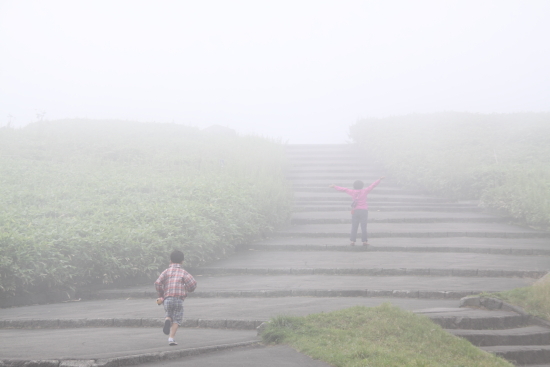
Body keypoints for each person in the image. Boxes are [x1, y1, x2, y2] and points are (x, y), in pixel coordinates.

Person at [155, 250, 197, 346]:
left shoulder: (166, 272)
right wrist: (188, 289)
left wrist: (161, 294)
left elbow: (157, 283)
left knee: (169, 314)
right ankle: (171, 338)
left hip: (167, 299)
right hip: (178, 299)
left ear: (170, 261)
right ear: (182, 261)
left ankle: (167, 320)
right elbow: (193, 284)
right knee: (177, 319)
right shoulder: (183, 272)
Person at [329, 177, 385, 246]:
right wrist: (379, 179)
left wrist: (335, 186)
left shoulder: (352, 192)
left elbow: (344, 189)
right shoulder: (365, 191)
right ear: (362, 186)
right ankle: (364, 241)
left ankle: (352, 241)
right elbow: (373, 185)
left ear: (354, 186)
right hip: (364, 211)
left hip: (355, 210)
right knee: (363, 226)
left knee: (354, 226)